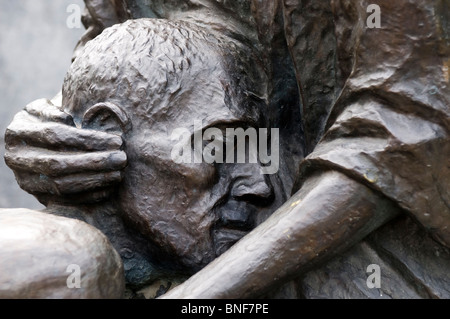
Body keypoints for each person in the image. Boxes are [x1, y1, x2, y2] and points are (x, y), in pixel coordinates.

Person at [4, 0, 450, 298]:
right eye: (218, 145)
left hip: (358, 228)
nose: (259, 184)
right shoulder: (64, 260)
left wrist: (200, 298)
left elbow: (405, 121)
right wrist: (58, 128)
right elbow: (114, 59)